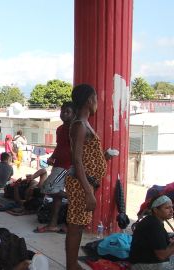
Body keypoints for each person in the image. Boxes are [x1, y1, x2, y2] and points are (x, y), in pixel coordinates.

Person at [65, 84, 115, 270]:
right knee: (75, 227)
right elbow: (77, 160)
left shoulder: (85, 123)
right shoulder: (79, 125)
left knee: (77, 225)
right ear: (89, 100)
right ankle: (71, 266)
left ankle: (72, 264)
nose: (97, 103)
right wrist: (88, 192)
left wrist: (104, 158)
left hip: (86, 182)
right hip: (81, 184)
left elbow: (87, 156)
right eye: (96, 99)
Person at [35, 102, 75, 233]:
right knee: (57, 197)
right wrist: (52, 156)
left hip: (67, 166)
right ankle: (53, 224)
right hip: (58, 164)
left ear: (74, 113)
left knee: (48, 187)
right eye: (62, 111)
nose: (64, 114)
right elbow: (59, 146)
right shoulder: (60, 129)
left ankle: (76, 199)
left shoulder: (75, 129)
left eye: (67, 111)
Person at [129, 195, 174, 269]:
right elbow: (161, 256)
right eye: (167, 208)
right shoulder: (154, 225)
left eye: (172, 207)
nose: (172, 211)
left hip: (147, 261)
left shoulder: (154, 221)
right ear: (156, 210)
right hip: (142, 265)